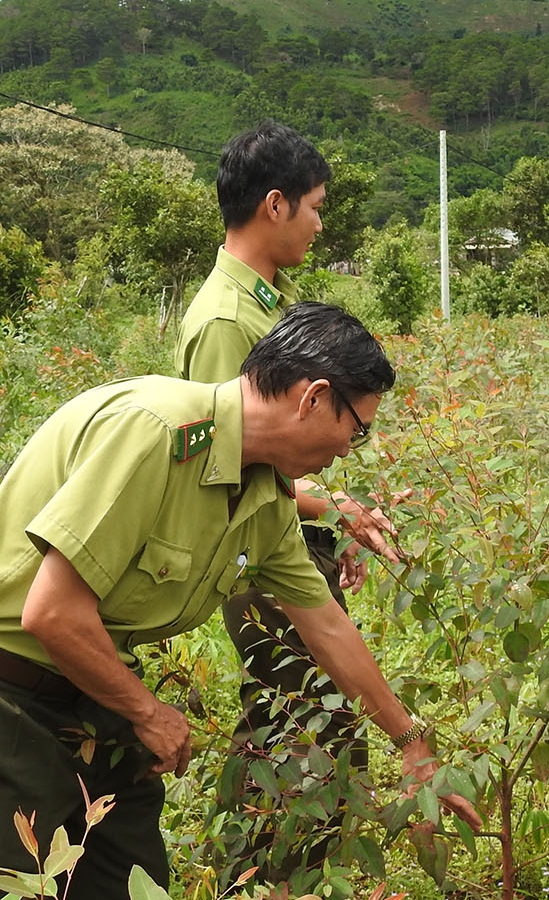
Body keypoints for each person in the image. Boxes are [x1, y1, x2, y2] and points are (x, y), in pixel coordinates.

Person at [0, 303, 480, 900]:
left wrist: (411, 745)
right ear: (312, 398)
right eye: (356, 428)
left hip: (93, 688)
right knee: (0, 888)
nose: (348, 449)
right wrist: (148, 713)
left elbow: (327, 627)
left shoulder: (263, 487)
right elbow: (51, 613)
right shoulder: (155, 433)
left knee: (130, 883)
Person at [173, 121, 401, 880]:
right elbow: (230, 454)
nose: (319, 222)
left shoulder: (265, 303)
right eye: (314, 206)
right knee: (308, 725)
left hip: (287, 541)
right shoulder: (224, 319)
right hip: (262, 549)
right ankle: (269, 875)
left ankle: (258, 868)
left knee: (291, 719)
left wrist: (338, 518)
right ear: (275, 205)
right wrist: (334, 509)